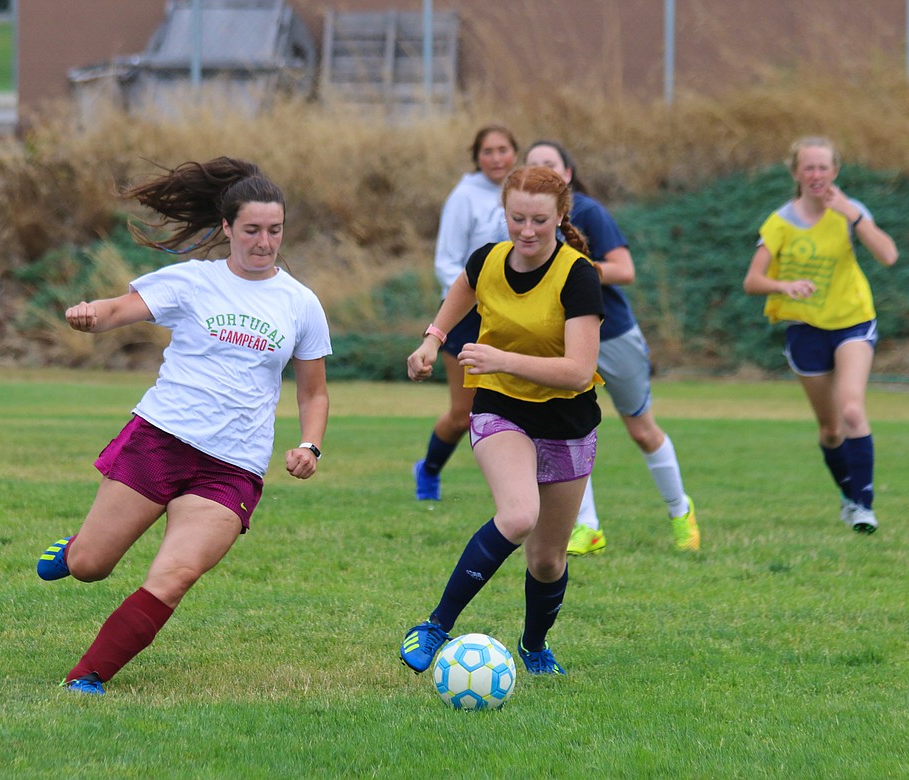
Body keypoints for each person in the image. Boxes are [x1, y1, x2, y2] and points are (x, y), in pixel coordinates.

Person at [34, 157, 332, 694]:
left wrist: (310, 443)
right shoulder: (193, 281)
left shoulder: (301, 303)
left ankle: (88, 676)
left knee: (175, 576)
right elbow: (120, 309)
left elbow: (314, 391)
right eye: (252, 230)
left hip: (233, 467)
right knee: (90, 566)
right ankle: (79, 546)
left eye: (275, 230)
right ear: (227, 228)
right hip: (161, 439)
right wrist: (90, 314)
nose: (264, 242)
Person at [400, 165, 604, 676]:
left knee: (547, 560)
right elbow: (461, 292)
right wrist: (432, 339)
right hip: (500, 405)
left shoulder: (578, 275)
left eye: (539, 220)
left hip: (567, 419)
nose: (527, 231)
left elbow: (579, 370)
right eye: (517, 218)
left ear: (560, 216)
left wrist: (502, 359)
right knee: (517, 515)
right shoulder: (488, 258)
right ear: (504, 213)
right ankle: (434, 626)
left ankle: (534, 646)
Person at [525, 140, 699, 555]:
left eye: (549, 165)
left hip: (613, 333)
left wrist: (572, 269)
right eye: (532, 167)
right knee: (563, 430)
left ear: (567, 174)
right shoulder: (525, 223)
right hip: (558, 337)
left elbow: (626, 269)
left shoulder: (588, 213)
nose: (542, 173)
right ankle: (587, 527)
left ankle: (680, 511)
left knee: (641, 430)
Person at [743, 136, 898, 534]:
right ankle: (848, 496)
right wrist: (785, 286)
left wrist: (852, 214)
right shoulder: (780, 222)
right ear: (796, 173)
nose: (816, 175)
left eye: (823, 167)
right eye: (808, 167)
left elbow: (888, 255)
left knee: (851, 409)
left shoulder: (850, 213)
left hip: (852, 322)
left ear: (835, 171)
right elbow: (753, 280)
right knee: (830, 429)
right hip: (806, 331)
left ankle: (864, 507)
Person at [412, 123, 518, 501]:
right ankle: (428, 470)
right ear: (477, 158)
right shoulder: (465, 196)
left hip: (514, 312)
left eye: (503, 149)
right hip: (467, 313)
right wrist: (477, 295)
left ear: (515, 154)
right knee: (464, 412)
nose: (496, 158)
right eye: (487, 151)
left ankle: (522, 488)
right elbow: (447, 263)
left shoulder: (522, 193)